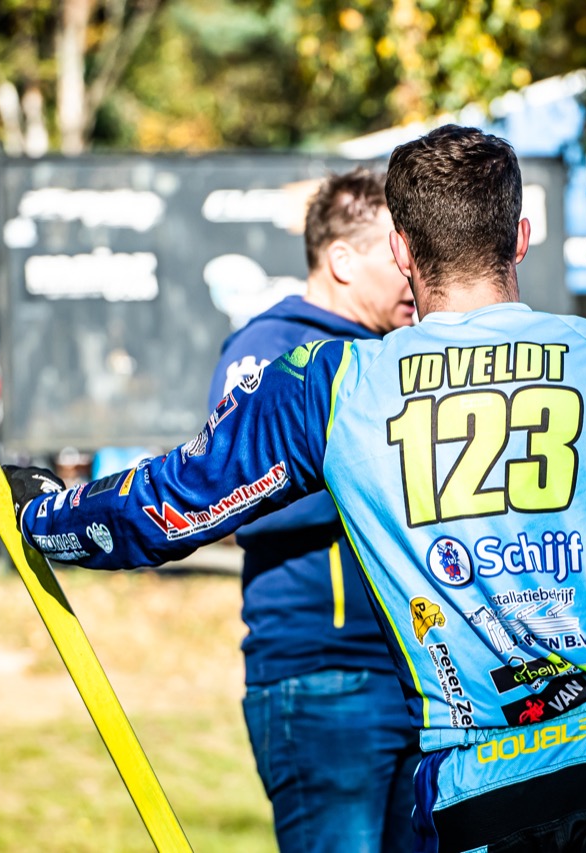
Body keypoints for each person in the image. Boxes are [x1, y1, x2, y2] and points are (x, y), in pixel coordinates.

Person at [5, 125, 586, 852]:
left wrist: (42, 514)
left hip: (474, 777)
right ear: (520, 236)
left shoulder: (332, 383)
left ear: (402, 248)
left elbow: (168, 506)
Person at [208, 169, 418, 852]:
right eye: (398, 254)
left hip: (423, 677)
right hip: (325, 680)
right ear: (342, 260)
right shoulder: (269, 350)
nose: (415, 272)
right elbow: (246, 505)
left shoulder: (400, 353)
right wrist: (392, 473)